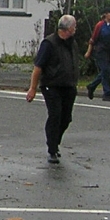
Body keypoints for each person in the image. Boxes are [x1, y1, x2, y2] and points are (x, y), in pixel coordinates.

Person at [26, 14, 79, 164]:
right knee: (55, 116)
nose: (75, 30)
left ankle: (55, 143)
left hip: (69, 86)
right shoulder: (49, 43)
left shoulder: (72, 43)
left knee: (66, 118)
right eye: (74, 27)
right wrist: (32, 88)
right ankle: (52, 149)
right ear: (68, 28)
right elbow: (38, 67)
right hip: (52, 85)